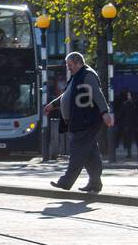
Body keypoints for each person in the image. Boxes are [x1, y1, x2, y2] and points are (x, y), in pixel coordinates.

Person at [45, 52, 113, 194]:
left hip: (86, 120)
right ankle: (95, 183)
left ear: (78, 63)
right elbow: (68, 94)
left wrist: (105, 112)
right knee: (90, 154)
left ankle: (66, 181)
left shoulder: (87, 75)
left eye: (70, 65)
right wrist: (54, 104)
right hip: (80, 120)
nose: (68, 68)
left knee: (77, 151)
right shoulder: (77, 75)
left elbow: (97, 94)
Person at [115, 90, 138, 159]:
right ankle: (136, 153)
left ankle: (131, 153)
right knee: (135, 139)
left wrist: (116, 120)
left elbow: (121, 114)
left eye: (129, 95)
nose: (128, 96)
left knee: (131, 139)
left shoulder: (130, 103)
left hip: (130, 123)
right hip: (133, 123)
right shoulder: (133, 103)